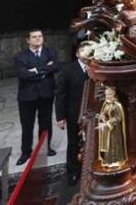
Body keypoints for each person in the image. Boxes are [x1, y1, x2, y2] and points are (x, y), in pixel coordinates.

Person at [15, 29, 58, 165]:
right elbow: (23, 74)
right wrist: (45, 69)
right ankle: (26, 152)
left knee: (46, 123)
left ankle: (45, 148)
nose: (38, 39)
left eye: (40, 36)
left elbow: (56, 67)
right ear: (28, 40)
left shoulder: (50, 52)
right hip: (27, 96)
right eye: (34, 37)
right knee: (27, 125)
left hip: (46, 94)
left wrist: (34, 71)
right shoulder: (20, 56)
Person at [55, 43, 89, 185]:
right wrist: (60, 117)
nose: (87, 53)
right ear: (77, 53)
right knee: (73, 143)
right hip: (74, 113)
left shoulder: (96, 68)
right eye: (84, 50)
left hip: (92, 113)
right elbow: (60, 95)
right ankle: (73, 171)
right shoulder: (68, 70)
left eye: (89, 51)